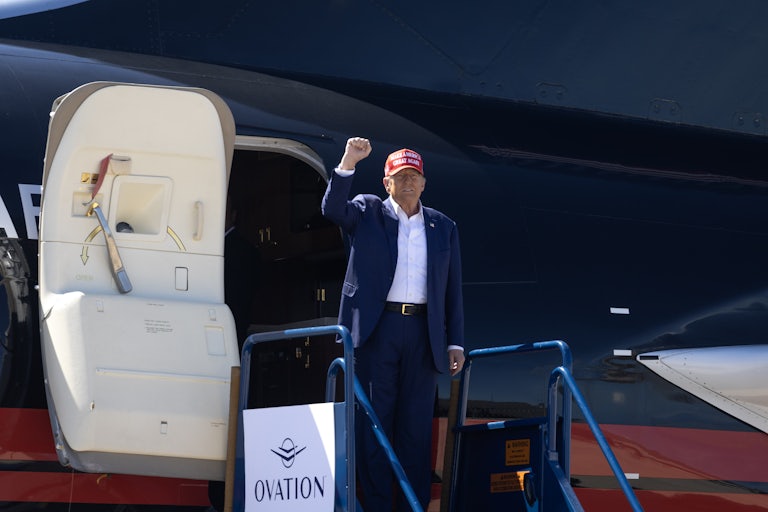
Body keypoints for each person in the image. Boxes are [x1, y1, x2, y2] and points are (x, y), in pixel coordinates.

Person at [321, 137, 465, 511]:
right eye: (400, 177)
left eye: (414, 176)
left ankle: (411, 505)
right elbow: (332, 208)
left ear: (424, 183)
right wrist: (348, 162)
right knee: (375, 424)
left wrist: (456, 342)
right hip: (378, 329)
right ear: (386, 183)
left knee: (415, 429)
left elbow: (452, 291)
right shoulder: (367, 212)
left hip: (423, 333)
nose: (408, 183)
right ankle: (378, 505)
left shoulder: (442, 226)